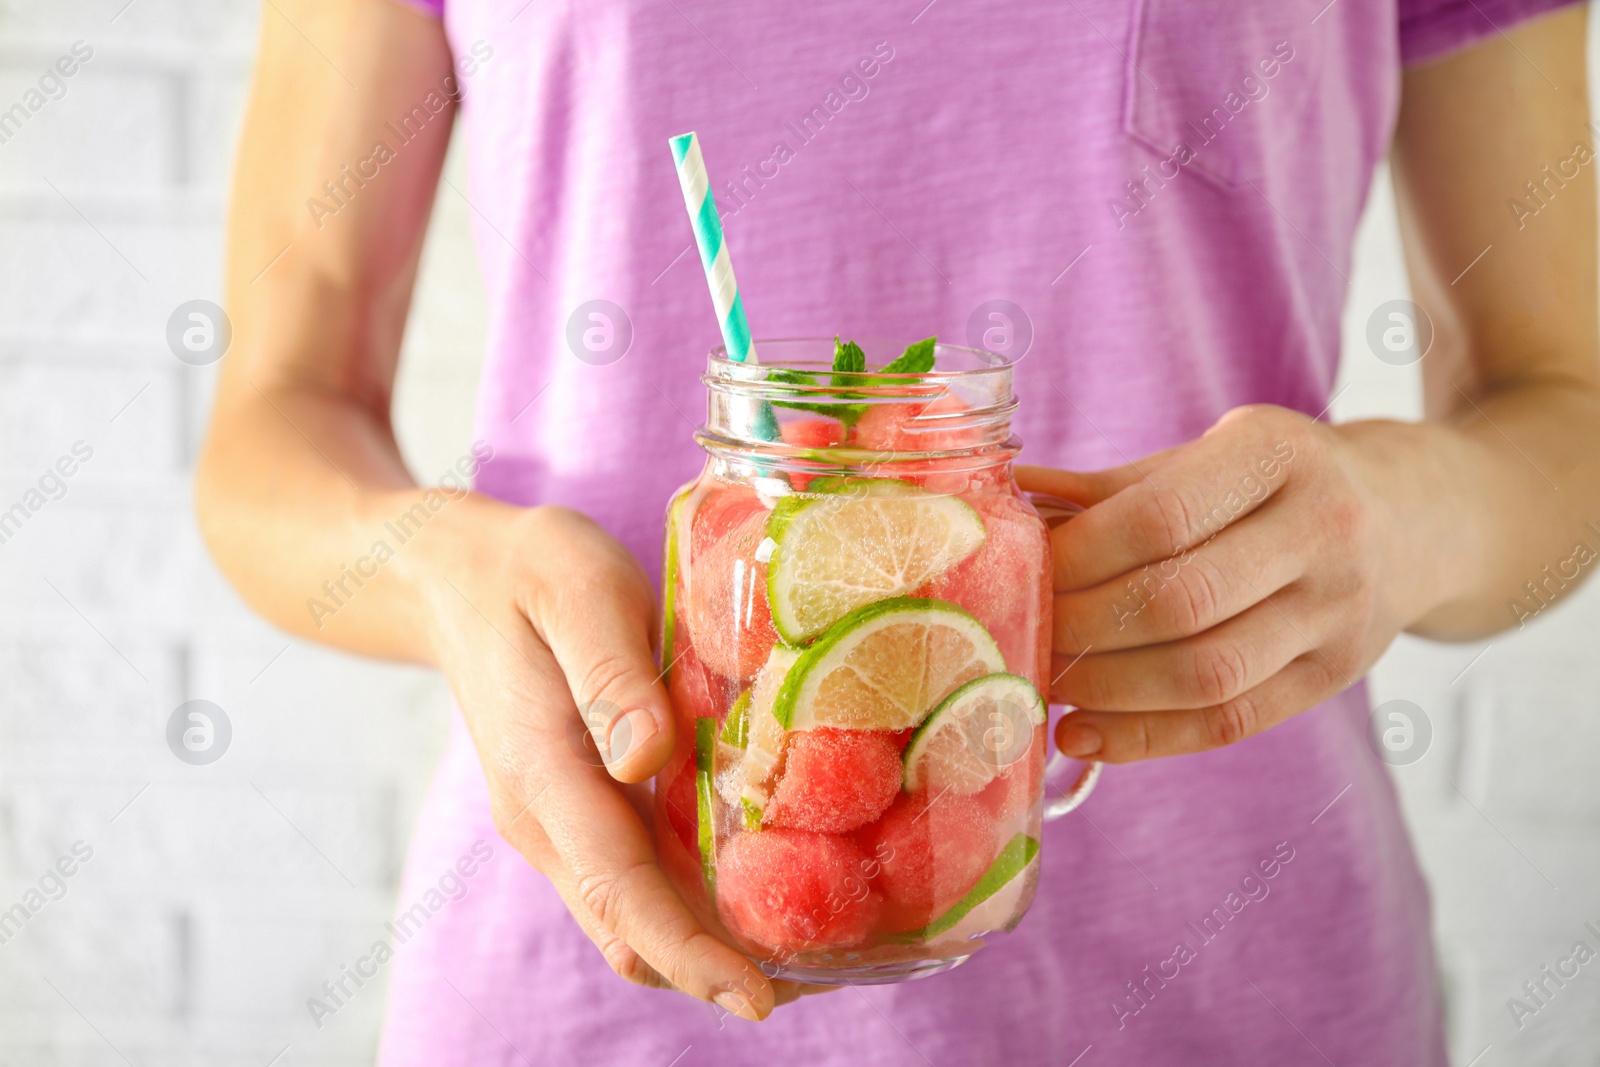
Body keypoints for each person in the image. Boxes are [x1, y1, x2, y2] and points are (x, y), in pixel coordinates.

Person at [196, 0, 1600, 1062]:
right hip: (598, 977)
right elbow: (276, 420)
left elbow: (1567, 403)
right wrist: (446, 568)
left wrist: (1406, 517)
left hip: (1237, 976)